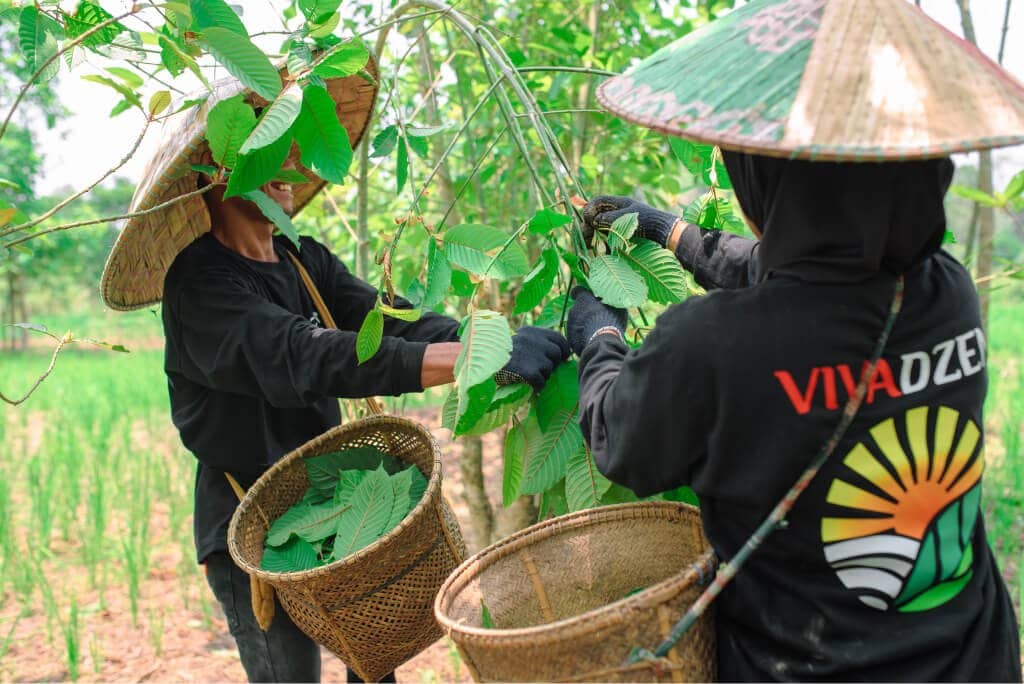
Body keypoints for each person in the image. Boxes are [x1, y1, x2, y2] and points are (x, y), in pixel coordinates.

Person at [566, 0, 1023, 680]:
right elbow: (809, 276)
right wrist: (673, 234)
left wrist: (597, 332)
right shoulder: (943, 291)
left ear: (767, 179)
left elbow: (616, 438)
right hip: (974, 658)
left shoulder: (711, 345)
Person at [100, 68, 569, 683]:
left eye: (291, 151)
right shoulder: (201, 286)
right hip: (256, 528)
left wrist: (484, 338)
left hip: (336, 507)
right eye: (266, 154)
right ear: (216, 173)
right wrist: (471, 362)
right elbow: (310, 355)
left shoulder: (303, 258)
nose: (289, 168)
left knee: (372, 669)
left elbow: (390, 322)